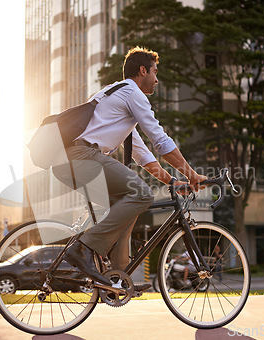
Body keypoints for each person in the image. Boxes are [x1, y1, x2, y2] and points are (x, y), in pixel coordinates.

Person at [56, 46, 207, 291]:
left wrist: (171, 181)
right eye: (155, 72)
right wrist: (191, 175)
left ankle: (116, 280)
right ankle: (83, 248)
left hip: (68, 161)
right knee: (142, 194)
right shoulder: (132, 93)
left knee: (127, 206)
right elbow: (160, 140)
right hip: (81, 156)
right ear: (142, 70)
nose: (157, 79)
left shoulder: (116, 97)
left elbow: (142, 154)